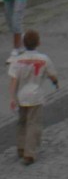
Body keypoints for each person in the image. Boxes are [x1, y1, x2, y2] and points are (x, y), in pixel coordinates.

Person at [8, 28, 58, 164]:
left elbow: (13, 80)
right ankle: (29, 153)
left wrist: (12, 97)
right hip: (36, 97)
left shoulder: (17, 60)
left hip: (21, 96)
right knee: (33, 123)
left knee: (22, 122)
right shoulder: (44, 59)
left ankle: (21, 147)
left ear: (23, 43)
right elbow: (52, 74)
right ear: (39, 43)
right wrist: (55, 82)